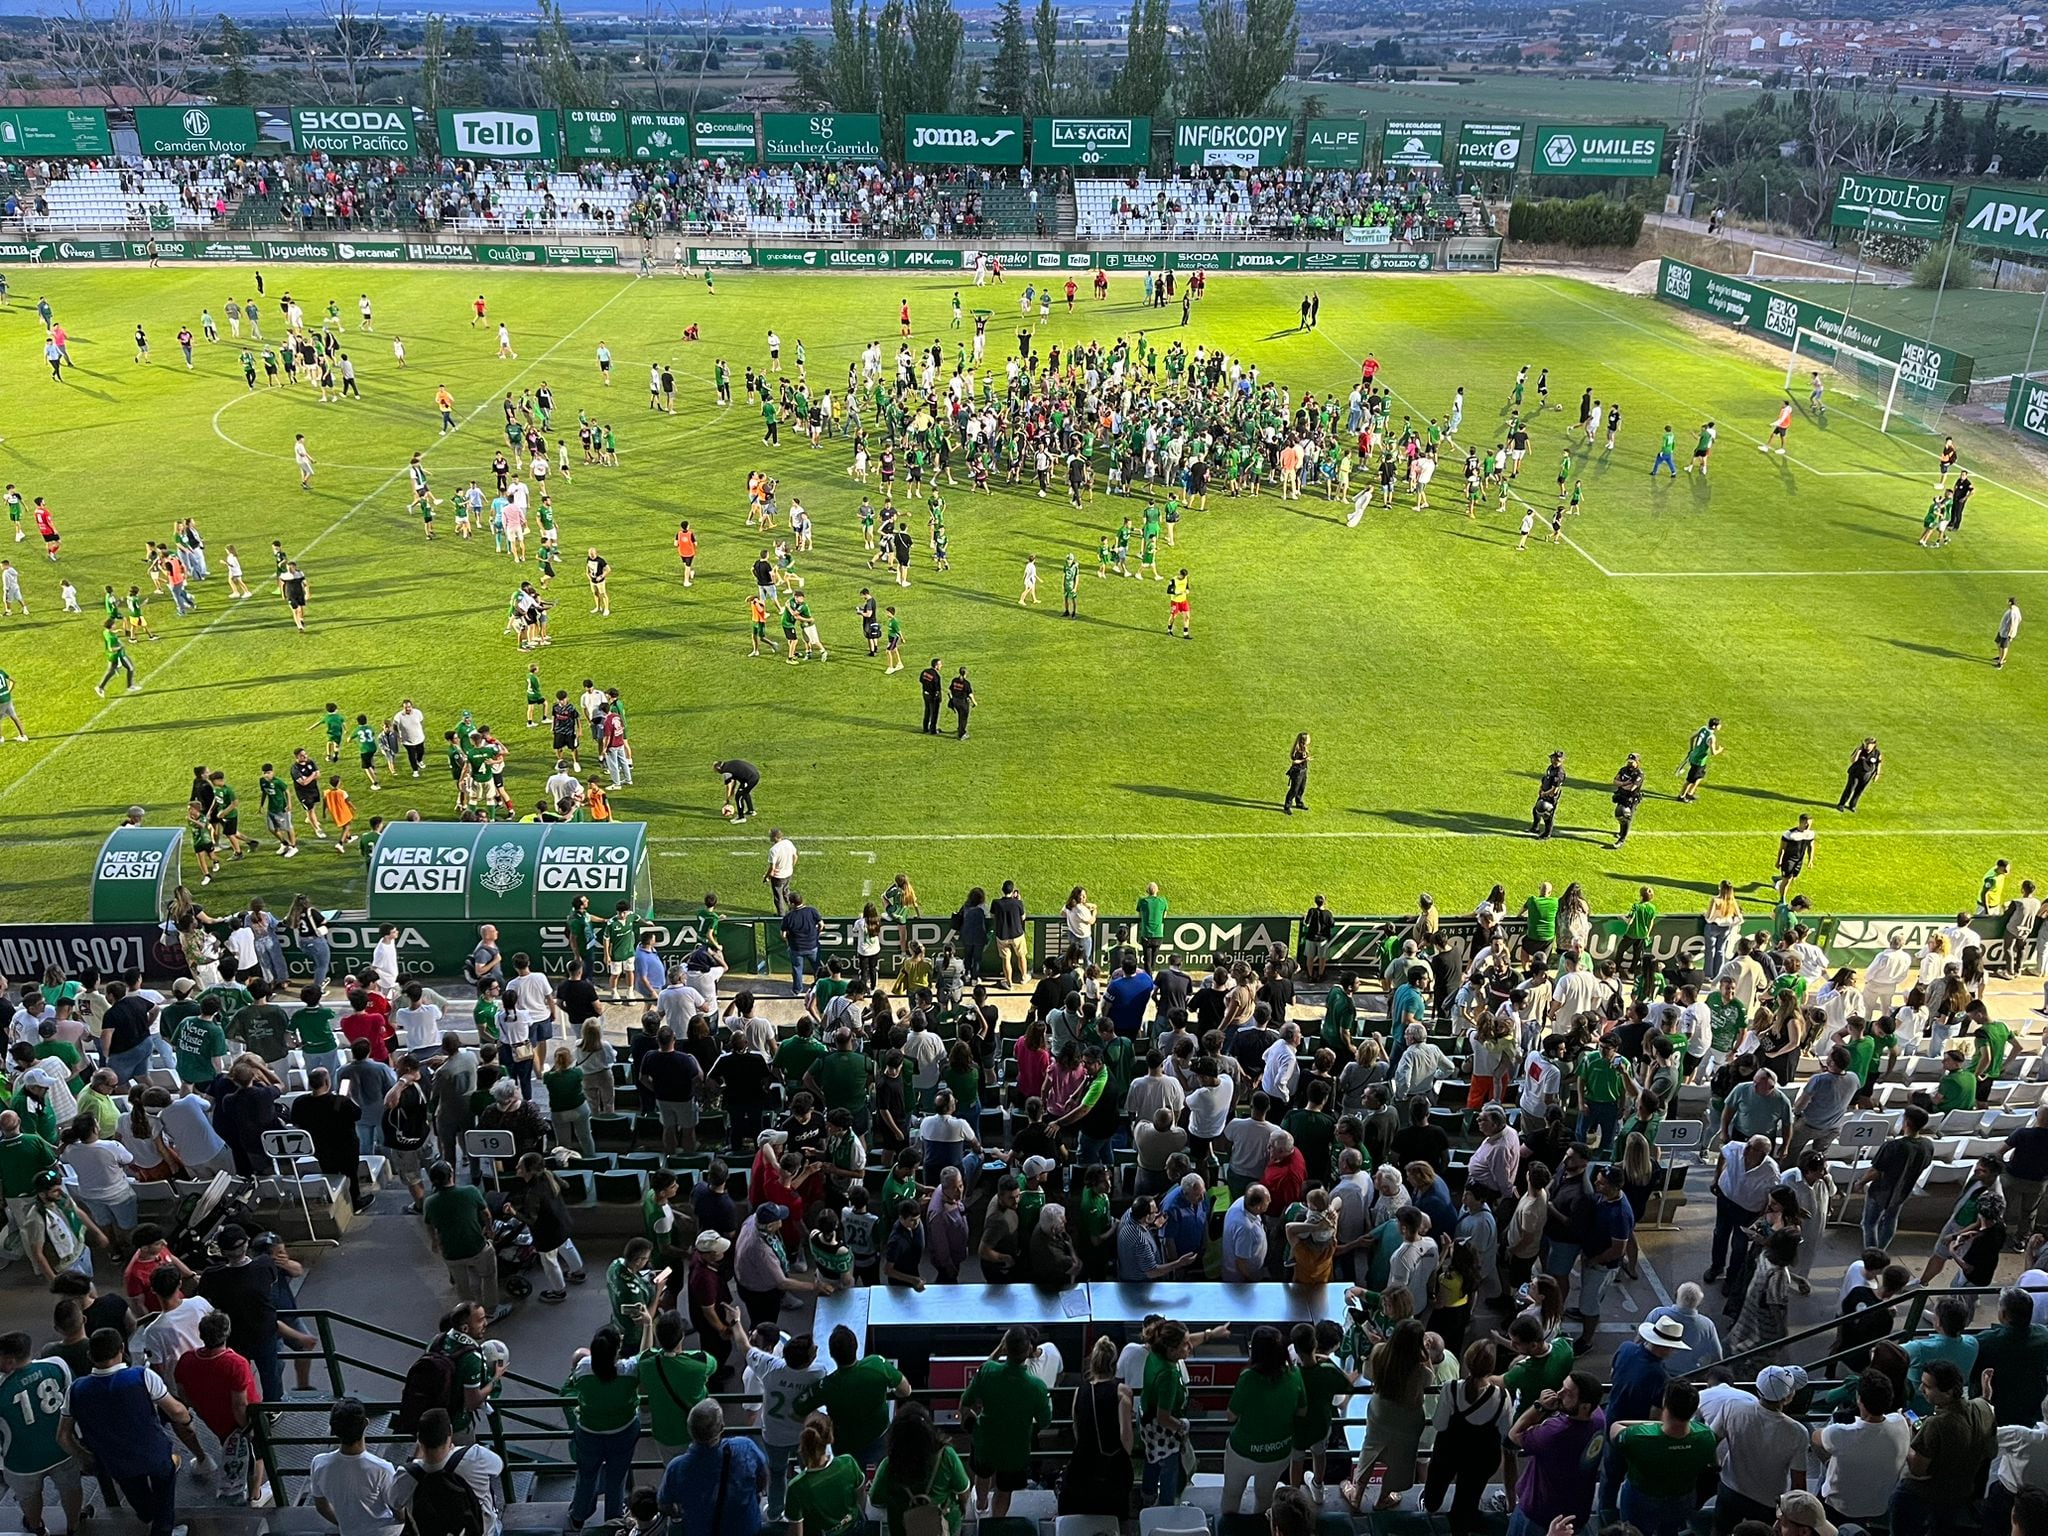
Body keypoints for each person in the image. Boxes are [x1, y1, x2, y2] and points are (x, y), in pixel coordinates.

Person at [59, 1325, 206, 1536]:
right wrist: (188, 1420)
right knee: (164, 1488)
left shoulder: (76, 1389)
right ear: (121, 1349)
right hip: (153, 1453)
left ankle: (147, 1514)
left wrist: (85, 1456)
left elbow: (63, 1436)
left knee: (135, 1492)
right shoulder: (141, 1376)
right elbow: (176, 1411)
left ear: (90, 1356)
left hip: (114, 1460)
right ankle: (163, 1528)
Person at [1891, 1359, 1996, 1536]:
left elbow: (1917, 1469)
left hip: (1927, 1492)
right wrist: (1986, 1392)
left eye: (1927, 1386)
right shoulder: (1981, 1408)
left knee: (1900, 1497)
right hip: (1961, 1490)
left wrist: (1906, 1434)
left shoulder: (1937, 1424)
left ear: (1947, 1392)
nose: (1920, 1390)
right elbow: (1985, 1404)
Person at [1609, 1379, 1718, 1536]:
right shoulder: (1706, 1436)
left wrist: (1655, 1425)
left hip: (1641, 1497)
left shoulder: (1639, 1437)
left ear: (1665, 1403)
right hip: (1682, 1498)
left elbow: (1615, 1427)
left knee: (1635, 1531)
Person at [1504, 1369, 1607, 1536]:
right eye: (1561, 1388)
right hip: (1576, 1510)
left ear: (1585, 1406)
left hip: (1538, 1513)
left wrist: (1539, 1406)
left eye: (1567, 1394)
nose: (1558, 1394)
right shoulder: (1599, 1419)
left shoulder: (1555, 1433)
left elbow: (1514, 1434)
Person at [1223, 1324, 1304, 1516]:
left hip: (1243, 1451)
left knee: (1232, 1494)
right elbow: (1302, 1410)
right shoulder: (1294, 1374)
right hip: (1279, 1453)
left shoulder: (1248, 1378)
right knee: (1265, 1497)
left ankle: (1228, 1528)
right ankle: (1261, 1526)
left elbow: (1230, 1416)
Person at [389, 1408, 503, 1536]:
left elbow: (394, 1502)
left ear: (419, 1439)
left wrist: (415, 1460)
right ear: (450, 1432)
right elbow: (498, 1467)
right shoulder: (475, 1456)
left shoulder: (407, 1474)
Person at [309, 1396, 402, 1536]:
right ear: (366, 1423)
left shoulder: (319, 1464)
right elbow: (400, 1514)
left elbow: (321, 1506)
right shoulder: (382, 1469)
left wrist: (346, 1524)